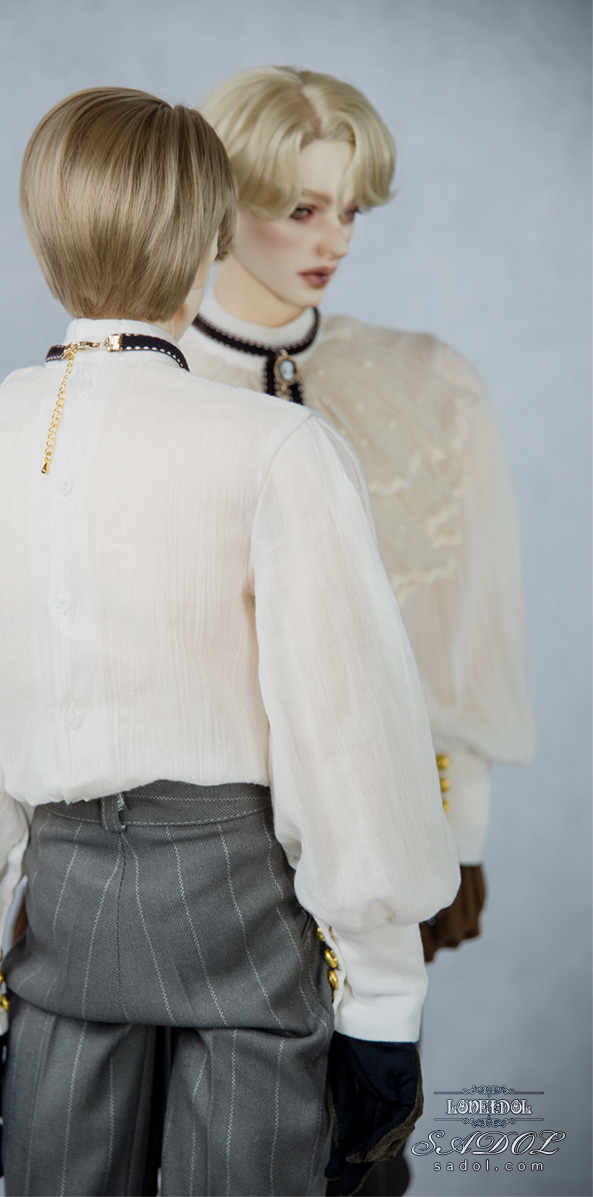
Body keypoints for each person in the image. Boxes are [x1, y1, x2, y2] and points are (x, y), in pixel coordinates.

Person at [0, 86, 459, 1196]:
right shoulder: (277, 449)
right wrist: (383, 1001)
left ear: (44, 232)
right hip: (240, 913)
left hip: (65, 927)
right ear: (207, 238)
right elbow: (346, 737)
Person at [181, 66, 536, 966]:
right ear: (223, 202)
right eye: (303, 209)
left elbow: (463, 627)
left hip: (381, 838)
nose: (334, 239)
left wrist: (463, 836)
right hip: (183, 851)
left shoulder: (429, 384)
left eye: (350, 211)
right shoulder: (149, 390)